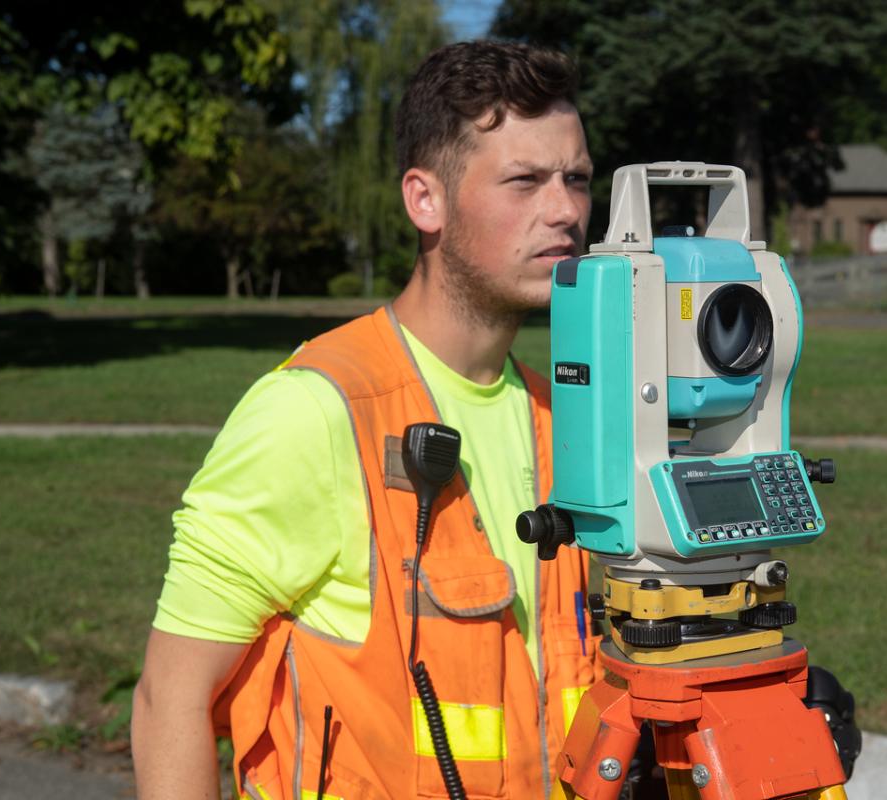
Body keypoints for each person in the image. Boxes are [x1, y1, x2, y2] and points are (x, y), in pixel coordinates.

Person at [132, 40, 603, 799]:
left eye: (577, 179)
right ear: (426, 200)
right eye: (525, 181)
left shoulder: (572, 415)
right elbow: (168, 701)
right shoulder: (316, 412)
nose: (566, 211)